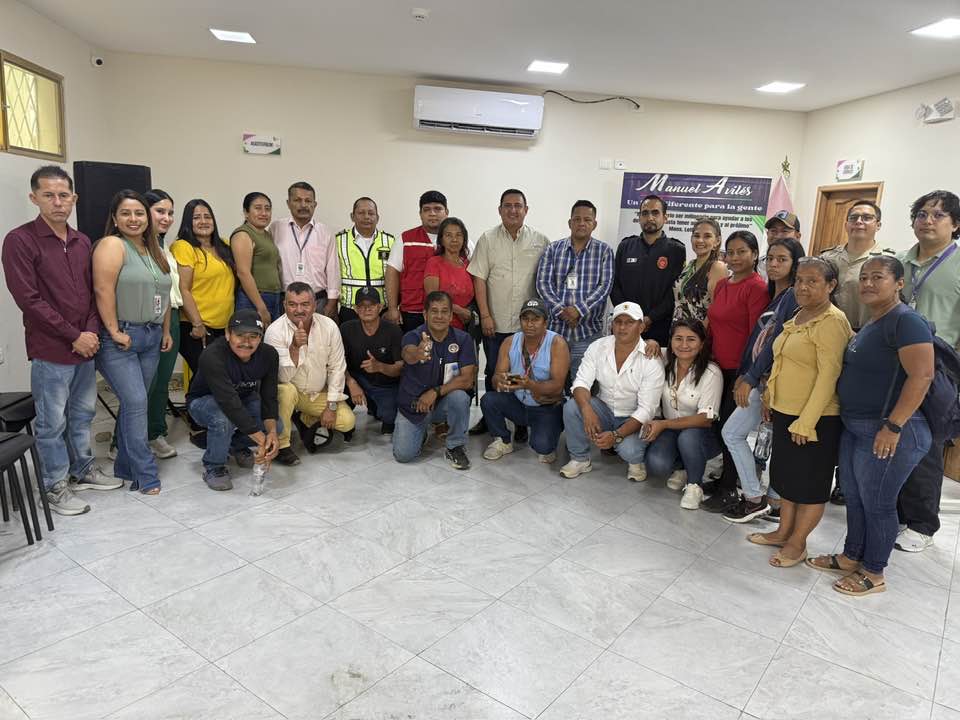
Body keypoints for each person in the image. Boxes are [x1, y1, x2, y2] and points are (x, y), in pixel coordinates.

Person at [808, 256, 933, 596]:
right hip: (856, 427)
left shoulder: (907, 321)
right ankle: (852, 556)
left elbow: (922, 375)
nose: (867, 283)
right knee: (855, 497)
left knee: (878, 502)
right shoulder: (874, 321)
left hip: (889, 431)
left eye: (878, 277)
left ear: (899, 284)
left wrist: (893, 426)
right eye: (864, 277)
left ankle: (874, 571)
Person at [2, 166, 120, 515]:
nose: (57, 202)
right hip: (51, 349)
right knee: (51, 423)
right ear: (34, 197)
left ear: (74, 198)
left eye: (63, 195)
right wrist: (74, 336)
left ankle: (82, 469)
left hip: (86, 345)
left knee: (82, 414)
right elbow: (29, 300)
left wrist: (91, 332)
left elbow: (93, 293)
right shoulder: (20, 240)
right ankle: (54, 485)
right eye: (49, 195)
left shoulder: (82, 241)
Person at [750, 258, 852, 567]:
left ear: (831, 285)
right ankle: (783, 531)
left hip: (815, 419)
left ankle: (798, 543)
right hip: (786, 412)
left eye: (812, 281)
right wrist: (770, 397)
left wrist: (806, 422)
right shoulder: (800, 314)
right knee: (787, 478)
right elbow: (783, 360)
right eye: (799, 280)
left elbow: (828, 376)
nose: (803, 287)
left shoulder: (832, 321)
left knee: (809, 485)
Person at [92, 190, 173, 495]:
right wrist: (114, 331)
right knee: (137, 402)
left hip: (151, 336)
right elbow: (103, 290)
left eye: (139, 213)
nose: (133, 219)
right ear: (115, 218)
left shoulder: (153, 250)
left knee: (134, 404)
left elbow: (164, 294)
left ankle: (125, 467)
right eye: (125, 213)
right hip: (121, 338)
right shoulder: (112, 245)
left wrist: (166, 331)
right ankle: (145, 473)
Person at [721, 237, 805, 523]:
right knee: (749, 436)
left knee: (737, 434)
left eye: (782, 259)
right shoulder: (775, 296)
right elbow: (758, 341)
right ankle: (764, 499)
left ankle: (760, 499)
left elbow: (775, 344)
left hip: (772, 381)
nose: (774, 264)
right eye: (771, 259)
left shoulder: (792, 296)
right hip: (760, 379)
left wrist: (752, 377)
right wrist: (746, 374)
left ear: (795, 264)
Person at [895, 190, 960, 552]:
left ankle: (922, 523)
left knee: (924, 444)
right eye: (921, 214)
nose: (928, 220)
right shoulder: (899, 262)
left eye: (938, 215)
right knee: (891, 436)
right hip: (894, 361)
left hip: (937, 366)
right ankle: (896, 512)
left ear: (956, 224)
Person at [819, 200, 895, 506]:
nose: (860, 222)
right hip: (828, 340)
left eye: (867, 217)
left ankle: (845, 479)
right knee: (828, 404)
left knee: (854, 409)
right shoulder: (828, 258)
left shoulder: (886, 260)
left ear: (878, 224)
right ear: (846, 222)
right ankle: (824, 471)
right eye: (854, 217)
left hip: (867, 340)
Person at [468, 189, 550, 437]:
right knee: (494, 370)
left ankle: (520, 420)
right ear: (500, 209)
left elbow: (546, 281)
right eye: (508, 206)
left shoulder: (540, 241)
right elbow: (479, 279)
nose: (513, 210)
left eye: (518, 206)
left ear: (526, 209)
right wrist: (485, 315)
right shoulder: (487, 239)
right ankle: (491, 417)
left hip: (528, 326)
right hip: (496, 321)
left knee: (524, 371)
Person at [701, 231, 770, 513]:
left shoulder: (757, 288)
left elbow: (759, 337)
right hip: (717, 367)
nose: (735, 257)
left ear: (754, 255)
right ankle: (723, 479)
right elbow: (714, 323)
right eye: (730, 252)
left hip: (740, 372)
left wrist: (748, 376)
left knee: (732, 431)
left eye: (742, 251)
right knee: (717, 426)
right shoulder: (722, 285)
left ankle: (729, 488)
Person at [561, 302, 665, 480]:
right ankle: (580, 459)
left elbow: (646, 410)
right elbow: (581, 382)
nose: (622, 327)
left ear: (641, 327)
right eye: (618, 322)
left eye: (629, 322)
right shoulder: (598, 347)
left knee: (630, 451)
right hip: (606, 411)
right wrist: (587, 410)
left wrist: (616, 435)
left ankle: (635, 460)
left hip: (635, 418)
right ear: (612, 325)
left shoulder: (650, 358)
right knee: (572, 406)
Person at [186, 309, 280, 490]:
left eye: (253, 336)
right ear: (228, 334)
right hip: (204, 401)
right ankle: (214, 466)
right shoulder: (212, 355)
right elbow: (228, 402)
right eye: (240, 335)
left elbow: (269, 397)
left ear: (261, 338)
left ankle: (233, 445)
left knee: (277, 426)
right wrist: (262, 440)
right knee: (223, 420)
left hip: (243, 398)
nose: (246, 342)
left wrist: (272, 435)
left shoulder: (269, 355)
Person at [264, 282, 355, 463]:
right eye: (292, 304)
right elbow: (281, 378)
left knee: (347, 422)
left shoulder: (329, 326)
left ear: (314, 305)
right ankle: (282, 445)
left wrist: (331, 406)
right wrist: (294, 348)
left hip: (316, 392)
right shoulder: (274, 331)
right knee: (286, 391)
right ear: (284, 305)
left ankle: (303, 417)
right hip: (290, 391)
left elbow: (337, 367)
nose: (299, 310)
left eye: (305, 304)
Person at [641, 319, 723, 509]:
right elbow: (640, 347)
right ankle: (683, 466)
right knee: (657, 465)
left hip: (700, 433)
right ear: (670, 341)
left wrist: (663, 424)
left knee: (688, 437)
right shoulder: (663, 358)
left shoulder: (711, 372)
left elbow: (705, 419)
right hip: (671, 429)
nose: (684, 345)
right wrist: (651, 341)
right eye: (678, 338)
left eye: (691, 339)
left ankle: (694, 485)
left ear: (702, 344)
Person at [393, 290, 477, 469]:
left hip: (441, 403)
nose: (439, 316)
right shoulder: (413, 336)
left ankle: (455, 446)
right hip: (415, 405)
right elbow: (408, 353)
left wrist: (435, 392)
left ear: (451, 315)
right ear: (425, 314)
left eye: (444, 311)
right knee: (404, 455)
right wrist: (418, 353)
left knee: (460, 397)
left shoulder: (463, 339)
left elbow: (467, 380)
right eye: (434, 311)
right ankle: (421, 431)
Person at [480, 298, 570, 463]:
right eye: (525, 319)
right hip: (519, 403)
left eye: (535, 319)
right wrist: (504, 381)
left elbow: (557, 387)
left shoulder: (557, 343)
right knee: (489, 399)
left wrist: (529, 385)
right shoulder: (509, 342)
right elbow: (497, 378)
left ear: (545, 322)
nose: (530, 324)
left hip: (545, 405)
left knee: (543, 448)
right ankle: (502, 440)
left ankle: (551, 431)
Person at [535, 200, 614, 384]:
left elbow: (605, 287)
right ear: (570, 222)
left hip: (588, 333)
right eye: (577, 219)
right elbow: (543, 284)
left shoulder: (604, 251)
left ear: (594, 224)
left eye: (587, 219)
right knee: (551, 383)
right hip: (555, 331)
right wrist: (562, 311)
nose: (581, 223)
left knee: (582, 385)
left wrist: (578, 310)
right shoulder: (553, 249)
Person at [610, 195, 686, 345]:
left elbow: (675, 292)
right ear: (639, 217)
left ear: (665, 218)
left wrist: (650, 318)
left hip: (660, 327)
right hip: (626, 324)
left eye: (655, 213)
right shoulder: (625, 246)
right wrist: (629, 316)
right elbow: (614, 284)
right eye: (645, 213)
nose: (650, 217)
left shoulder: (676, 250)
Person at [171, 199, 235, 374]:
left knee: (216, 376)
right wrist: (197, 324)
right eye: (196, 217)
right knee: (209, 375)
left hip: (223, 326)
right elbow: (183, 288)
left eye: (207, 216)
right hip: (197, 326)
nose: (203, 221)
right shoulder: (183, 246)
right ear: (187, 222)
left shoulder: (224, 245)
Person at [144, 190, 181, 459]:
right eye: (160, 211)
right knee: (144, 385)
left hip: (172, 316)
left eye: (170, 213)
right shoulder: (136, 246)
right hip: (150, 319)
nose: (166, 217)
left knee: (161, 383)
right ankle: (121, 443)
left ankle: (155, 433)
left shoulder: (163, 244)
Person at [270, 181, 339, 318]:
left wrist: (332, 303)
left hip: (318, 300)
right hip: (285, 301)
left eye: (308, 201)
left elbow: (333, 269)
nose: (303, 205)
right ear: (288, 203)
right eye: (297, 200)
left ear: (315, 204)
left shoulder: (325, 232)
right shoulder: (276, 228)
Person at [341, 286, 403, 434]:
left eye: (372, 305)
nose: (367, 309)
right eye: (362, 306)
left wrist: (380, 366)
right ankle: (345, 421)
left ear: (380, 307)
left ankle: (375, 407)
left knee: (389, 417)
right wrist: (351, 382)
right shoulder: (346, 329)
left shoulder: (393, 331)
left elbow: (401, 368)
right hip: (357, 378)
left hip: (384, 384)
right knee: (338, 394)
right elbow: (337, 362)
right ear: (355, 309)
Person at [385, 190, 449, 332]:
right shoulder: (406, 239)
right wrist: (392, 308)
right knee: (412, 346)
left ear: (446, 212)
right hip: (413, 313)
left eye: (437, 209)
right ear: (420, 214)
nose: (432, 213)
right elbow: (392, 273)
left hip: (448, 313)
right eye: (427, 209)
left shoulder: (459, 239)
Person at [335, 197, 395, 324]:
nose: (366, 217)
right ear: (352, 216)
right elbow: (332, 276)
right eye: (361, 213)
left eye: (371, 213)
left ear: (377, 217)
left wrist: (393, 307)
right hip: (351, 308)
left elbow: (396, 277)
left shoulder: (390, 241)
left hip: (381, 308)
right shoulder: (339, 241)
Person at [231, 192, 283, 327]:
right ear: (246, 212)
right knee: (251, 338)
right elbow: (243, 273)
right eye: (258, 208)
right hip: (254, 299)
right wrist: (261, 307)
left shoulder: (266, 234)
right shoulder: (243, 234)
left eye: (267, 208)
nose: (264, 213)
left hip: (274, 297)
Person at [672, 217, 727, 323]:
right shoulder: (689, 265)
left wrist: (700, 332)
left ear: (717, 241)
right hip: (678, 328)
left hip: (699, 331)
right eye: (696, 235)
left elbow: (716, 310)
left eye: (707, 236)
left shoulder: (717, 267)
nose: (700, 240)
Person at [423, 217, 474, 330]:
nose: (454, 239)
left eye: (458, 235)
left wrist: (469, 313)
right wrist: (459, 310)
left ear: (464, 239)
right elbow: (433, 298)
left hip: (466, 327)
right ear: (441, 240)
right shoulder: (434, 263)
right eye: (448, 235)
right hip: (440, 326)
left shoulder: (468, 265)